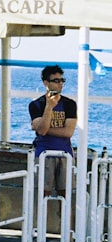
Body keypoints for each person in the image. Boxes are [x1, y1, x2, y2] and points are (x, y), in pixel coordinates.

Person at [29, 64, 77, 197]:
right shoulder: (36, 104)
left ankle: (65, 218)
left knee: (66, 194)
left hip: (65, 153)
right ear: (46, 83)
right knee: (42, 194)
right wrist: (49, 107)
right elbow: (42, 132)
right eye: (56, 81)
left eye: (62, 80)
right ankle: (41, 218)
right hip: (44, 153)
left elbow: (68, 132)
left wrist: (39, 127)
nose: (60, 84)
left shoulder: (69, 104)